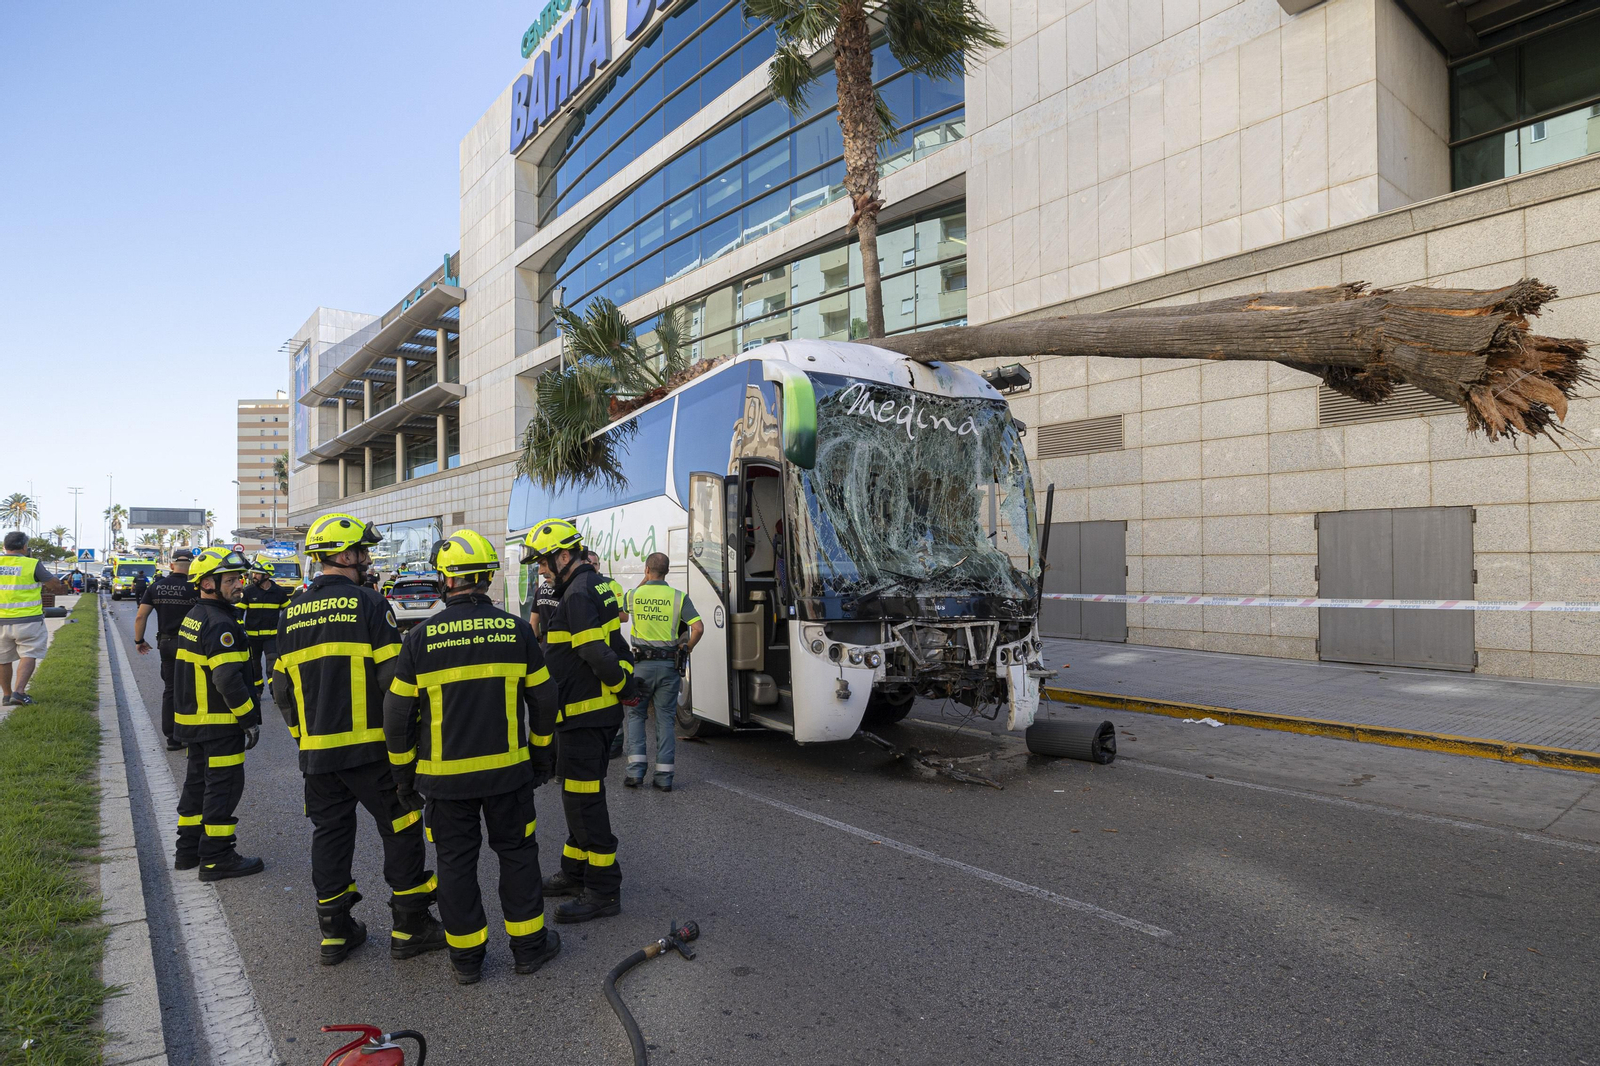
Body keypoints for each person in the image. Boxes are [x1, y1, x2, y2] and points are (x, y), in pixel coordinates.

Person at [383, 531, 562, 985]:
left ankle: (466, 960)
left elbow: (397, 715)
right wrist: (542, 756)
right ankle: (529, 949)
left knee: (455, 863)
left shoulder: (419, 639)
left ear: (446, 581)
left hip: (444, 783)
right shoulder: (517, 631)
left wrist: (403, 776)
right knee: (517, 855)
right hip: (508, 775)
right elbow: (544, 700)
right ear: (486, 578)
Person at [271, 513, 446, 966]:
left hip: (318, 756)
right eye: (363, 551)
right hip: (372, 751)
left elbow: (281, 689)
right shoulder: (369, 602)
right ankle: (410, 926)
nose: (368, 559)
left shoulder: (291, 612)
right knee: (402, 827)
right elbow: (392, 679)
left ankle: (335, 933)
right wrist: (412, 738)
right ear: (344, 556)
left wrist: (304, 738)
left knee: (330, 834)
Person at [521, 519, 633, 924]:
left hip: (586, 716)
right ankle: (574, 872)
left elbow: (595, 652)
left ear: (564, 555)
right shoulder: (592, 585)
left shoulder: (579, 593)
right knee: (575, 798)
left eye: (544, 563)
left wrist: (623, 685)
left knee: (585, 803)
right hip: (584, 714)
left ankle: (602, 890)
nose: (542, 571)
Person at [171, 547, 264, 881]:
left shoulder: (197, 614)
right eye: (231, 580)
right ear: (208, 583)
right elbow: (227, 679)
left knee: (197, 785)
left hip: (195, 721)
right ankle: (217, 857)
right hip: (219, 724)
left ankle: (187, 851)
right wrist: (248, 719)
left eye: (239, 578)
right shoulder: (220, 622)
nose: (239, 585)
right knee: (223, 788)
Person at [622, 553, 703, 792]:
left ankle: (635, 773)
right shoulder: (679, 597)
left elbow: (622, 613)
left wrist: (644, 580)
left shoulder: (634, 595)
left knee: (636, 715)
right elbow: (698, 628)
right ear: (667, 571)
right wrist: (687, 647)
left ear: (647, 570)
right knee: (666, 719)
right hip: (669, 667)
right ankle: (664, 777)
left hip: (641, 667)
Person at [135, 549, 199, 750]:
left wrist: (139, 640)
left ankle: (172, 738)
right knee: (193, 688)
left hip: (166, 644)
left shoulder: (156, 587)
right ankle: (190, 733)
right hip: (191, 644)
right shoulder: (196, 588)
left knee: (170, 689)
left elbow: (141, 616)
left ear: (171, 565)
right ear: (192, 567)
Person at [0, 531, 70, 706]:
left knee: (3, 659)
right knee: (29, 654)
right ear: (25, 547)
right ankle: (19, 692)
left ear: (4, 547)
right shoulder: (32, 564)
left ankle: (7, 695)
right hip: (28, 620)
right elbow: (54, 585)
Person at [237, 559, 290, 702]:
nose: (253, 576)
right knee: (254, 666)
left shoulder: (279, 592)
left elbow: (289, 612)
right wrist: (240, 627)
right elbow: (239, 612)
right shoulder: (248, 591)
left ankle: (275, 693)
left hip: (272, 637)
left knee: (272, 665)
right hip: (252, 638)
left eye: (257, 574)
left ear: (266, 576)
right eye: (253, 573)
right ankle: (257, 691)